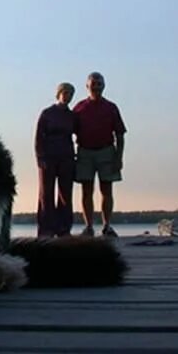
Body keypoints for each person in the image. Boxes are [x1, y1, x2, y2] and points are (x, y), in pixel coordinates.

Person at [73, 72, 127, 237]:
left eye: (99, 84)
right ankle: (88, 226)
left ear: (104, 86)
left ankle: (107, 225)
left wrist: (119, 157)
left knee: (107, 190)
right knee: (86, 191)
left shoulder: (111, 107)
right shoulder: (79, 107)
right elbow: (68, 131)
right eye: (93, 83)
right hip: (85, 153)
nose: (96, 86)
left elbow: (120, 134)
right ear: (87, 86)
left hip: (106, 152)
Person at [34, 82, 76, 237]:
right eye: (65, 93)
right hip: (48, 157)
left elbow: (79, 135)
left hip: (66, 157)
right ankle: (46, 229)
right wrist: (40, 157)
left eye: (71, 94)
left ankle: (64, 228)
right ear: (59, 94)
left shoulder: (72, 116)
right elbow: (39, 137)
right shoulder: (47, 113)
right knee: (46, 194)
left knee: (66, 194)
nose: (68, 97)